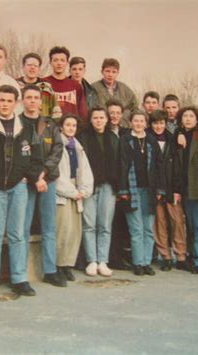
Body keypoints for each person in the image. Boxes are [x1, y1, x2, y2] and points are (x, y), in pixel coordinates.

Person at [0, 85, 43, 297]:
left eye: (10, 101)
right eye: (2, 100)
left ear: (16, 103)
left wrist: (29, 176)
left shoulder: (26, 127)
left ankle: (20, 278)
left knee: (17, 234)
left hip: (18, 187)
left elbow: (37, 156)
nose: (6, 104)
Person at [21, 85, 65, 287]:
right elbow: (18, 154)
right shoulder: (17, 123)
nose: (32, 101)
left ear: (41, 101)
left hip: (48, 180)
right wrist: (32, 177)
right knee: (22, 228)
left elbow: (57, 149)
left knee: (49, 227)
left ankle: (50, 270)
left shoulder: (50, 124)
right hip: (25, 182)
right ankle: (19, 273)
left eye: (35, 97)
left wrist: (44, 174)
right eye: (28, 97)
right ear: (23, 100)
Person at [118, 110, 163, 276]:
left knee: (148, 228)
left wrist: (160, 189)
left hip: (149, 190)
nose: (138, 124)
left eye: (141, 121)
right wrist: (123, 189)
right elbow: (121, 165)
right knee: (136, 228)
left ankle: (146, 263)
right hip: (132, 189)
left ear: (146, 123)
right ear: (131, 123)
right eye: (135, 121)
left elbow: (159, 166)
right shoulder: (125, 140)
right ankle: (137, 263)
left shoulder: (151, 141)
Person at [79, 107, 119, 277]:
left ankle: (103, 261)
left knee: (105, 225)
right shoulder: (84, 138)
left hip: (108, 186)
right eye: (95, 117)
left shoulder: (113, 138)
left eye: (102, 117)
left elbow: (119, 163)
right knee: (89, 224)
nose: (98, 120)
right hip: (89, 186)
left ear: (107, 119)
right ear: (91, 120)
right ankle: (91, 261)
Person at [148, 110, 188, 272]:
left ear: (166, 124)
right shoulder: (148, 140)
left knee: (177, 222)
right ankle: (165, 256)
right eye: (155, 123)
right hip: (156, 189)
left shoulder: (172, 140)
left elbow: (177, 167)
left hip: (172, 188)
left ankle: (181, 256)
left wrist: (177, 189)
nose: (159, 126)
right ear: (151, 124)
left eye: (161, 123)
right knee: (160, 223)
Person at [55, 114, 94, 281]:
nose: (71, 128)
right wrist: (72, 191)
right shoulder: (58, 145)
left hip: (77, 190)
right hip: (64, 192)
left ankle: (67, 265)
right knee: (62, 230)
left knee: (74, 231)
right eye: (68, 125)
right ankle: (58, 265)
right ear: (61, 127)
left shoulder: (78, 147)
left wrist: (84, 190)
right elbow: (56, 174)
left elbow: (85, 171)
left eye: (74, 125)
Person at [175, 106, 198, 274]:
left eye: (191, 116)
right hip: (185, 189)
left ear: (197, 120)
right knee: (192, 226)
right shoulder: (178, 136)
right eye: (185, 116)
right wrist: (178, 133)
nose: (188, 119)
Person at [107, 99, 132, 270]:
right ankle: (112, 257)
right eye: (111, 113)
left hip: (126, 183)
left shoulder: (126, 133)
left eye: (117, 113)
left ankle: (123, 255)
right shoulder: (103, 132)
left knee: (124, 222)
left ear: (121, 115)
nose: (114, 116)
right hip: (111, 183)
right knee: (112, 222)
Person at [42, 46, 87, 124]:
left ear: (67, 63)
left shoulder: (76, 86)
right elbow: (41, 112)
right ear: (50, 62)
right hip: (50, 131)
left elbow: (82, 114)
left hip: (71, 131)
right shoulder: (43, 83)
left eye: (62, 60)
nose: (59, 63)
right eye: (55, 60)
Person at [16, 52, 61, 119]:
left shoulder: (46, 86)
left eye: (35, 66)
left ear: (39, 69)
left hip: (42, 125)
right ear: (23, 67)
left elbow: (55, 109)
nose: (32, 68)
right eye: (29, 65)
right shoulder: (15, 84)